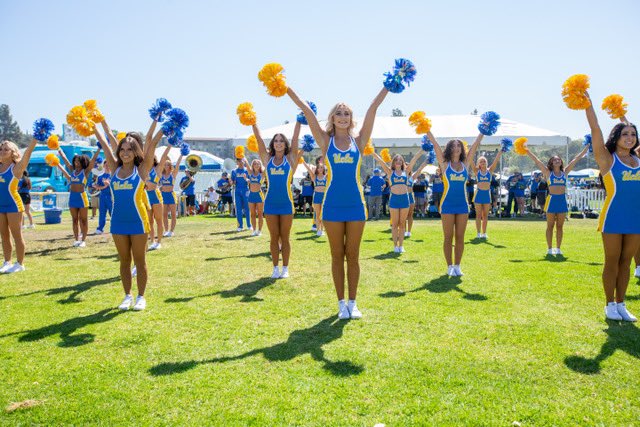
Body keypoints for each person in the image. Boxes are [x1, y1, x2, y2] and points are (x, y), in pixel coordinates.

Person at [286, 82, 391, 320]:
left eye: (347, 113)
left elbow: (373, 108)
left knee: (353, 256)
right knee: (337, 255)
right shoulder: (325, 141)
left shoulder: (359, 140)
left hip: (356, 206)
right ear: (332, 118)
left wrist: (389, 86)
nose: (343, 117)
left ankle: (353, 303)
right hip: (331, 206)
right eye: (338, 113)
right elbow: (307, 110)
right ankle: (340, 303)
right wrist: (286, 87)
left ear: (351, 119)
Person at [94, 115, 162, 311]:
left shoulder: (141, 171)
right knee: (124, 261)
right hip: (117, 223)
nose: (125, 153)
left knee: (139, 260)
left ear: (135, 152)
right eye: (122, 149)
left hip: (138, 222)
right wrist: (92, 124)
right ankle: (127, 296)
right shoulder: (114, 169)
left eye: (129, 149)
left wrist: (166, 126)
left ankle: (141, 296)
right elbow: (106, 142)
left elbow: (153, 143)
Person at [583, 91, 639, 321]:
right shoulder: (607, 159)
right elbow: (596, 129)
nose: (629, 137)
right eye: (625, 134)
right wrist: (588, 104)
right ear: (616, 137)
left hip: (636, 218)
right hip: (613, 217)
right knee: (613, 260)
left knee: (626, 262)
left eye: (633, 134)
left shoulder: (638, 160)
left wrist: (625, 117)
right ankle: (609, 305)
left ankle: (621, 303)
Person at [426, 128, 483, 277]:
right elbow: (435, 145)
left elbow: (476, 145)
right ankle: (449, 266)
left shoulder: (466, 163)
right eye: (454, 145)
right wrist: (426, 129)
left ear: (462, 149)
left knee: (460, 237)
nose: (457, 148)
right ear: (450, 149)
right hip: (447, 205)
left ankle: (458, 266)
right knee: (447, 237)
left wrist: (483, 130)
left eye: (459, 145)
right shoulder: (444, 164)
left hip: (463, 205)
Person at [251, 119, 301, 279]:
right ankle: (274, 268)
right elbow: (259, 140)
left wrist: (299, 122)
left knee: (285, 237)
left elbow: (295, 138)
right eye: (276, 141)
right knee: (274, 237)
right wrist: (253, 121)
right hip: (270, 205)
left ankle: (285, 268)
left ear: (285, 145)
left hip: (287, 204)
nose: (278, 143)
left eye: (281, 141)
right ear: (272, 144)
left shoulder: (291, 159)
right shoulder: (267, 160)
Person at [526, 145, 588, 256]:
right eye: (554, 160)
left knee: (560, 226)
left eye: (558, 159)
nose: (557, 161)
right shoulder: (548, 173)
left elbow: (576, 159)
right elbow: (537, 161)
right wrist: (527, 151)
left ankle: (558, 249)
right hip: (551, 200)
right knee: (550, 226)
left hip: (562, 201)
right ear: (551, 162)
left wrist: (586, 147)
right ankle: (549, 249)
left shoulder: (565, 172)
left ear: (561, 162)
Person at [372, 151, 423, 252]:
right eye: (396, 160)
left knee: (402, 224)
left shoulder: (406, 171)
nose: (398, 162)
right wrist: (372, 152)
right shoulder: (390, 172)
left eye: (400, 160)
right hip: (394, 200)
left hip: (405, 199)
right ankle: (395, 246)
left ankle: (401, 246)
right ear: (394, 162)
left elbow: (414, 159)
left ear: (403, 162)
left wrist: (422, 150)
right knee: (395, 224)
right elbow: (381, 161)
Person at [0, 138, 37, 273]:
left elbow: (27, 153)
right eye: (1, 149)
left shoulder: (16, 168)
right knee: (3, 235)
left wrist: (34, 139)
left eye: (6, 149)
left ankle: (20, 264)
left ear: (13, 152)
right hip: (0, 205)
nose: (2, 151)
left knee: (17, 235)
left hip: (13, 205)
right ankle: (7, 262)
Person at [57, 148, 102, 247]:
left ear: (82, 162)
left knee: (83, 220)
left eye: (78, 161)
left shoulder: (85, 172)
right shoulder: (72, 170)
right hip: (72, 197)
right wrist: (59, 150)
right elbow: (65, 160)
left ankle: (83, 241)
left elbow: (93, 160)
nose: (76, 163)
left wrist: (99, 149)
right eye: (75, 161)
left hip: (82, 197)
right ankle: (76, 240)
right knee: (74, 220)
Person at [472, 151, 502, 238]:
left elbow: (496, 161)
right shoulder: (476, 171)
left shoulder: (490, 171)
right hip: (478, 194)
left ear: (486, 163)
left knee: (485, 215)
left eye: (484, 161)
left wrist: (500, 153)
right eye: (481, 161)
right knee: (478, 215)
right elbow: (470, 161)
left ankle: (484, 233)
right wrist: (467, 153)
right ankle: (478, 233)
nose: (483, 163)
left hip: (486, 195)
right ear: (479, 164)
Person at [146, 147, 171, 248]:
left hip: (155, 196)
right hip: (146, 196)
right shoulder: (143, 169)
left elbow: (164, 156)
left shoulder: (158, 169)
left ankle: (159, 242)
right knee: (149, 221)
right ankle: (152, 241)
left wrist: (169, 144)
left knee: (158, 220)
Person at [301, 158, 326, 236]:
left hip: (324, 196)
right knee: (317, 214)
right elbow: (308, 169)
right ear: (317, 169)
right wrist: (302, 161)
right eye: (319, 167)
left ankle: (322, 229)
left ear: (324, 168)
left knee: (323, 215)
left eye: (322, 167)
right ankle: (318, 230)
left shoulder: (326, 176)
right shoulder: (314, 177)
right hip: (317, 196)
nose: (320, 169)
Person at [160, 152, 183, 237]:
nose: (166, 166)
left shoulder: (173, 174)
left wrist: (181, 155)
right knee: (164, 214)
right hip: (163, 195)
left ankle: (171, 231)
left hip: (171, 195)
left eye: (167, 165)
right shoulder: (161, 175)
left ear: (170, 166)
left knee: (173, 214)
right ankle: (166, 230)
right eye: (165, 165)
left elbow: (177, 165)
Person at [245, 158, 265, 236]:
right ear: (252, 165)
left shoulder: (262, 174)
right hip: (251, 195)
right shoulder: (250, 173)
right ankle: (254, 230)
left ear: (260, 165)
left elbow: (266, 165)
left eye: (258, 164)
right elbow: (246, 163)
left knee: (260, 214)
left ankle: (259, 231)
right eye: (255, 164)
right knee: (252, 214)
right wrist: (242, 156)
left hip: (259, 195)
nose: (256, 165)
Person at [231, 158, 251, 230]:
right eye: (238, 160)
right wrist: (232, 182)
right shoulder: (234, 171)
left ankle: (249, 225)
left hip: (246, 190)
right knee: (238, 208)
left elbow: (250, 181)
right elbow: (232, 183)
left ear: (244, 161)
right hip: (237, 191)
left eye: (241, 160)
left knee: (247, 208)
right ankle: (240, 226)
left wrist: (247, 180)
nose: (240, 162)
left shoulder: (247, 170)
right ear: (237, 162)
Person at [94, 162, 113, 235]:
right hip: (102, 196)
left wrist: (109, 184)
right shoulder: (100, 176)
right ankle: (100, 228)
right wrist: (104, 186)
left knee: (112, 213)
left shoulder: (114, 175)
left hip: (111, 197)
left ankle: (114, 228)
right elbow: (97, 187)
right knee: (102, 213)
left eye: (109, 164)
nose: (107, 166)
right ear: (104, 166)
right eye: (106, 164)